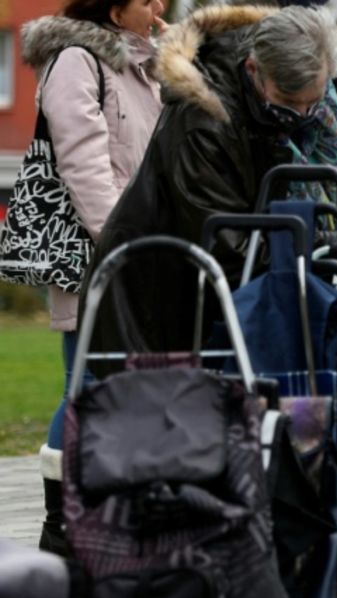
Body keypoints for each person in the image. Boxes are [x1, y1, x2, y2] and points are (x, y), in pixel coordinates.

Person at [89, 4, 337, 353]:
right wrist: (320, 246)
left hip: (196, 299)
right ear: (253, 69)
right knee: (111, 403)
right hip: (155, 305)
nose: (302, 116)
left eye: (314, 103)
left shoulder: (269, 102)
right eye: (289, 102)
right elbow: (226, 248)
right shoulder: (203, 124)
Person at [19, 0, 165, 553]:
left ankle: (108, 509)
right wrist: (118, 242)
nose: (160, 7)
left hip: (142, 251)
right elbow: (83, 160)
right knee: (89, 383)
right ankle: (60, 522)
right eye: (148, 0)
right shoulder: (78, 60)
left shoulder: (144, 65)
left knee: (124, 382)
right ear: (113, 8)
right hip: (96, 251)